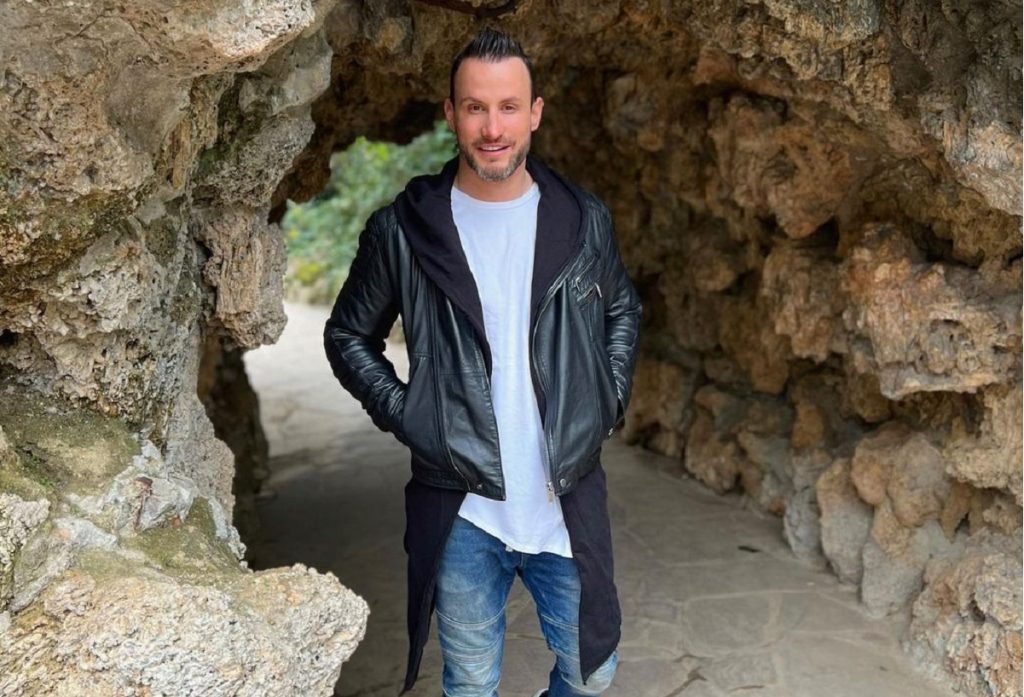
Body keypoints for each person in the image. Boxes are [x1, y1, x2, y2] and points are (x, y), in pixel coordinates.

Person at [324, 27, 642, 697]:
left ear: (535, 113)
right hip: (462, 511)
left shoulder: (584, 220)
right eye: (475, 107)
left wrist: (608, 397)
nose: (492, 128)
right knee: (469, 683)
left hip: (563, 500)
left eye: (507, 107)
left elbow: (622, 309)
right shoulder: (404, 230)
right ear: (451, 113)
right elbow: (349, 335)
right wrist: (412, 415)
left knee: (592, 672)